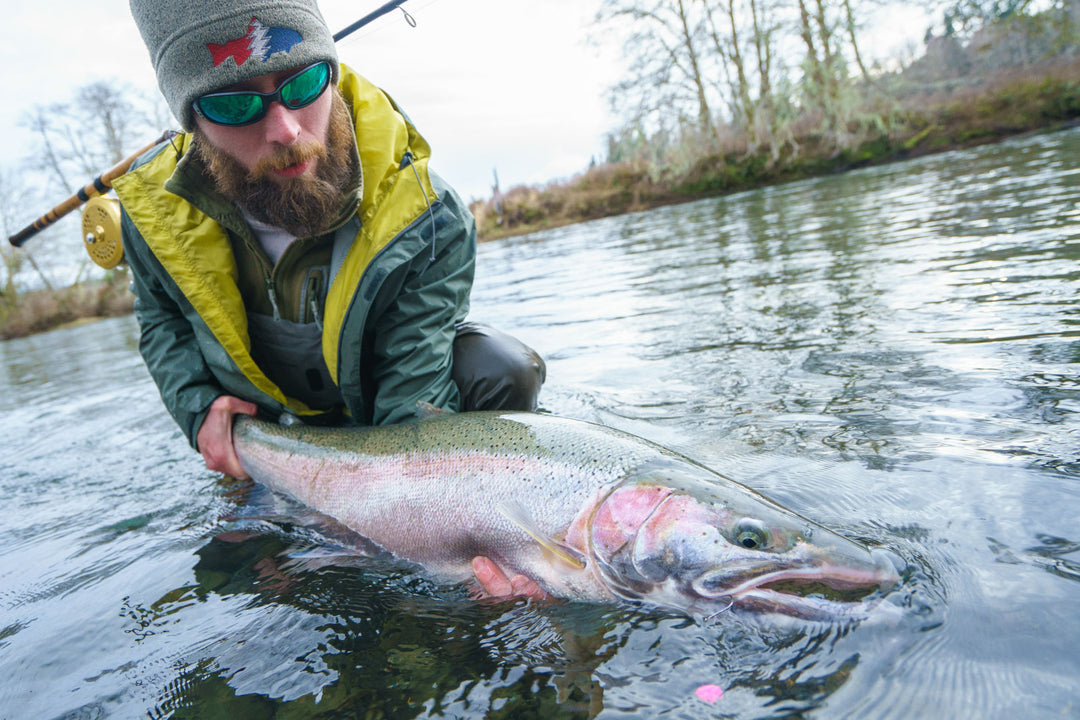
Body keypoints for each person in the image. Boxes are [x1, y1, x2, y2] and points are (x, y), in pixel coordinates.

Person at [118, 0, 546, 600]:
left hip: (378, 409)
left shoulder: (427, 215)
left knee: (503, 369)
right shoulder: (151, 216)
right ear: (195, 123)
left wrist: (462, 538)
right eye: (235, 105)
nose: (287, 131)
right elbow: (159, 319)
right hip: (265, 429)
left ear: (333, 74)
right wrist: (198, 413)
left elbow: (411, 412)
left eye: (304, 83)